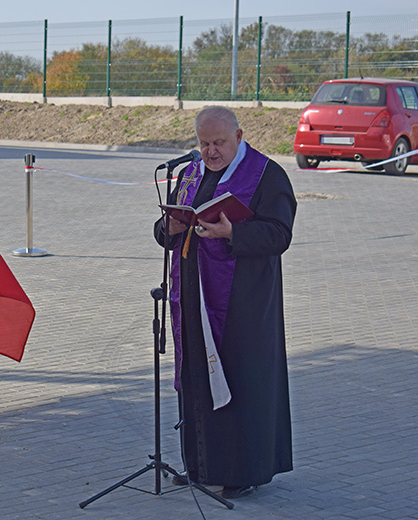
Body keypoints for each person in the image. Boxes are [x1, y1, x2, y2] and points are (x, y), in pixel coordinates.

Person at [154, 106, 296, 499]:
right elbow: (165, 231)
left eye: (218, 143)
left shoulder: (267, 174)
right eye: (203, 143)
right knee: (197, 380)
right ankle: (199, 465)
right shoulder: (188, 174)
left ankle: (239, 472)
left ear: (239, 136)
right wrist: (168, 227)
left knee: (237, 381)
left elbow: (279, 234)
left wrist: (234, 232)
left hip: (242, 304)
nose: (210, 152)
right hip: (192, 298)